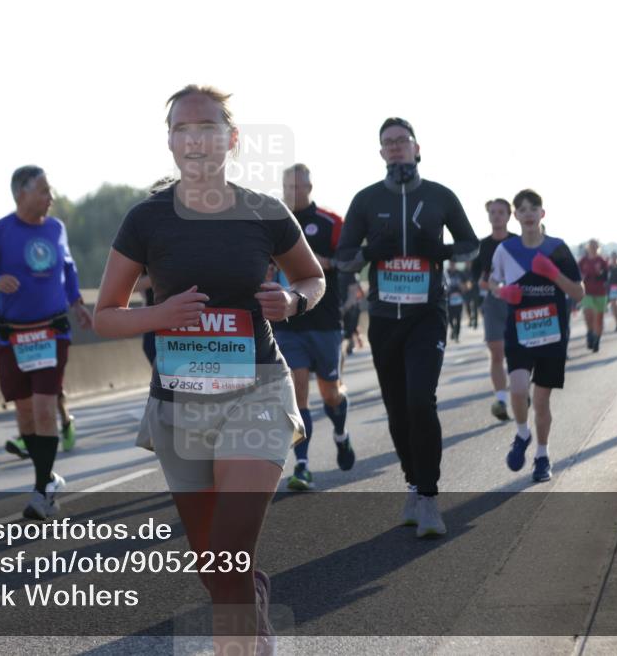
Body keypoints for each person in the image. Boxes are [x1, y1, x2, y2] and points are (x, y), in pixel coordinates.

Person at [94, 84, 324, 655]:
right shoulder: (146, 218)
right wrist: (162, 315)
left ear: (231, 138)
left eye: (206, 127)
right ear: (170, 141)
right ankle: (252, 598)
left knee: (227, 545)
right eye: (182, 129)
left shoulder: (266, 213)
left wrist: (293, 302)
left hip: (258, 392)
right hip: (181, 400)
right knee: (214, 565)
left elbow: (313, 278)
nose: (194, 139)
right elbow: (103, 316)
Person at [335, 117, 479, 538]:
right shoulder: (365, 200)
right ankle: (413, 485)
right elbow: (342, 257)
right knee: (397, 410)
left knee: (421, 401)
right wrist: (368, 252)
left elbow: (471, 247)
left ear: (417, 148)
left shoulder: (439, 196)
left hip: (427, 315)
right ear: (381, 153)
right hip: (383, 318)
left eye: (402, 141)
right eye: (388, 143)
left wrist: (443, 251)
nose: (396, 148)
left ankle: (431, 498)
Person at [0, 165, 92, 518]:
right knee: (24, 413)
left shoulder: (56, 228)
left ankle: (41, 492)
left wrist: (78, 305)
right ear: (21, 193)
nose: (50, 197)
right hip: (13, 337)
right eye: (43, 191)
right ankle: (48, 477)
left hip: (53, 331)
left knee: (43, 407)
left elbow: (68, 269)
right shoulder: (0, 232)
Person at [490, 190, 584, 483]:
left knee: (541, 401)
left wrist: (553, 274)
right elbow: (492, 282)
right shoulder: (506, 250)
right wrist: (503, 291)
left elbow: (578, 293)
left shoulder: (557, 248)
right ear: (515, 216)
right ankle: (522, 434)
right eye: (522, 209)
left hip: (552, 334)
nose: (528, 214)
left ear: (542, 214)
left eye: (534, 208)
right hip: (519, 331)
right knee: (517, 389)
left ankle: (542, 456)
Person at [272, 163, 354, 492]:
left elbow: (350, 261)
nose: (293, 192)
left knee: (331, 394)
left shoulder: (331, 223)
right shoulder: (274, 223)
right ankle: (302, 465)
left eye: (298, 186)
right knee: (297, 392)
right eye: (287, 187)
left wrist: (324, 263)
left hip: (325, 322)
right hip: (288, 324)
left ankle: (341, 434)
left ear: (309, 187)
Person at [472, 198, 517, 421]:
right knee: (496, 352)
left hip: (518, 303)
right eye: (493, 212)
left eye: (501, 212)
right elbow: (475, 277)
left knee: (518, 353)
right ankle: (501, 399)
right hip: (493, 302)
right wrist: (486, 284)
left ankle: (520, 390)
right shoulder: (482, 246)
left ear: (509, 216)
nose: (497, 216)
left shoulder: (518, 242)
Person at [578, 239, 608, 353]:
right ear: (588, 247)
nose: (593, 248)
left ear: (598, 247)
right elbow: (576, 274)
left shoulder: (602, 261)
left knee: (598, 319)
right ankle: (590, 333)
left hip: (600, 292)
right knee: (588, 314)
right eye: (591, 246)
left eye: (595, 246)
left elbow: (606, 276)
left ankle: (597, 340)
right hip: (587, 292)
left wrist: (600, 274)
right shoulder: (583, 261)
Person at [445, 262, 466, 342]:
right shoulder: (446, 272)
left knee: (458, 318)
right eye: (451, 264)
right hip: (449, 300)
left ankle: (457, 335)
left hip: (459, 299)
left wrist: (463, 286)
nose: (452, 265)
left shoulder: (460, 273)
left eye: (453, 264)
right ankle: (453, 329)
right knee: (450, 318)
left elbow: (467, 284)